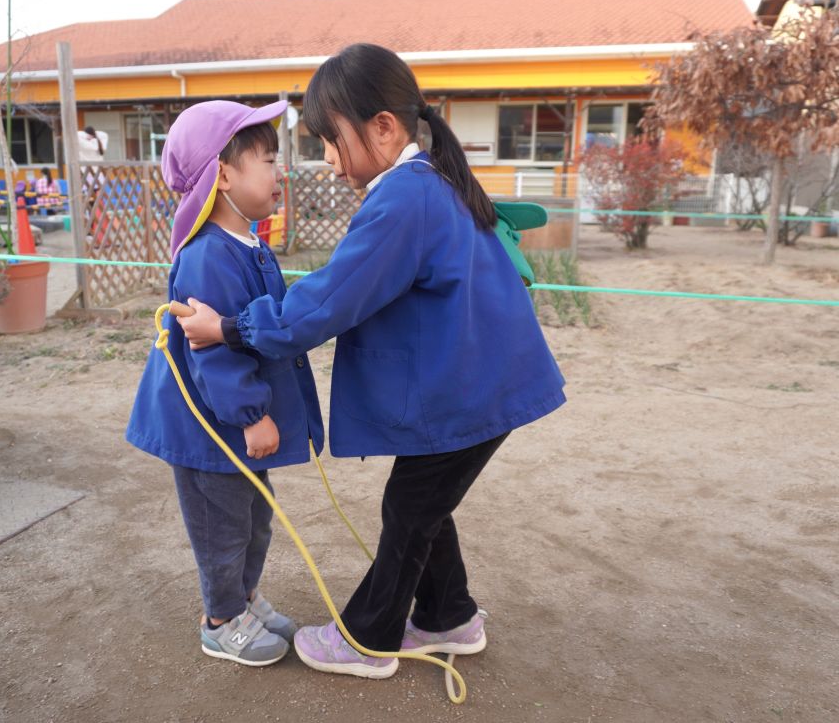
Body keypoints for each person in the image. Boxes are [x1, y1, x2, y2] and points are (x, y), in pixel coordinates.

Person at [179, 44, 567, 680]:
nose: (329, 161)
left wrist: (227, 327)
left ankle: (368, 637)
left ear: (382, 127)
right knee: (422, 503)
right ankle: (448, 616)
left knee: (410, 511)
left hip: (466, 393)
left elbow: (330, 298)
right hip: (478, 383)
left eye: (330, 141)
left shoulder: (404, 198)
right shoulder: (433, 179)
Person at [125, 99, 324, 668]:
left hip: (232, 426)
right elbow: (210, 350)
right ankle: (220, 620)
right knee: (223, 525)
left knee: (255, 517)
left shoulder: (250, 244)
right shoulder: (208, 255)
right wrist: (252, 414)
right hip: (211, 428)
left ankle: (244, 597)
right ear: (223, 174)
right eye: (268, 160)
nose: (279, 172)